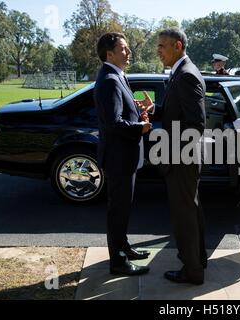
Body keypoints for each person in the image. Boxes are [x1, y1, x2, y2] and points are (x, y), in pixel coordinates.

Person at [94, 32, 153, 276]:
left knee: (123, 208)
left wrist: (141, 112)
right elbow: (113, 123)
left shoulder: (118, 76)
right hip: (118, 158)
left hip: (125, 156)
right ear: (110, 54)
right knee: (118, 210)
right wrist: (141, 127)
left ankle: (124, 247)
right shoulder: (109, 79)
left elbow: (122, 113)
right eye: (124, 49)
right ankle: (118, 262)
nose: (129, 52)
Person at [156, 28, 208, 285]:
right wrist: (154, 110)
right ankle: (197, 259)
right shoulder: (180, 72)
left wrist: (173, 156)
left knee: (184, 215)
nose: (159, 51)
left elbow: (196, 124)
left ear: (178, 46)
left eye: (162, 46)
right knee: (191, 211)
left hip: (182, 158)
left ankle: (192, 271)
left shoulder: (186, 75)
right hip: (184, 157)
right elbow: (176, 112)